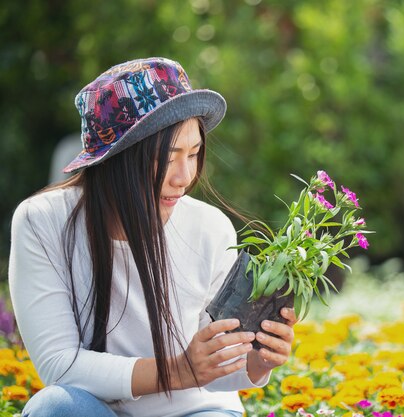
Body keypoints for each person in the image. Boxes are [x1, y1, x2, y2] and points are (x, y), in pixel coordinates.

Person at [8, 57, 296, 417]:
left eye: (193, 154)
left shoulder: (209, 227)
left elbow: (218, 368)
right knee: (55, 407)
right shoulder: (44, 222)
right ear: (117, 159)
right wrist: (178, 368)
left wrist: (258, 360)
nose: (185, 177)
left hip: (197, 411)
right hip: (95, 411)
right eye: (169, 157)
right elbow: (60, 366)